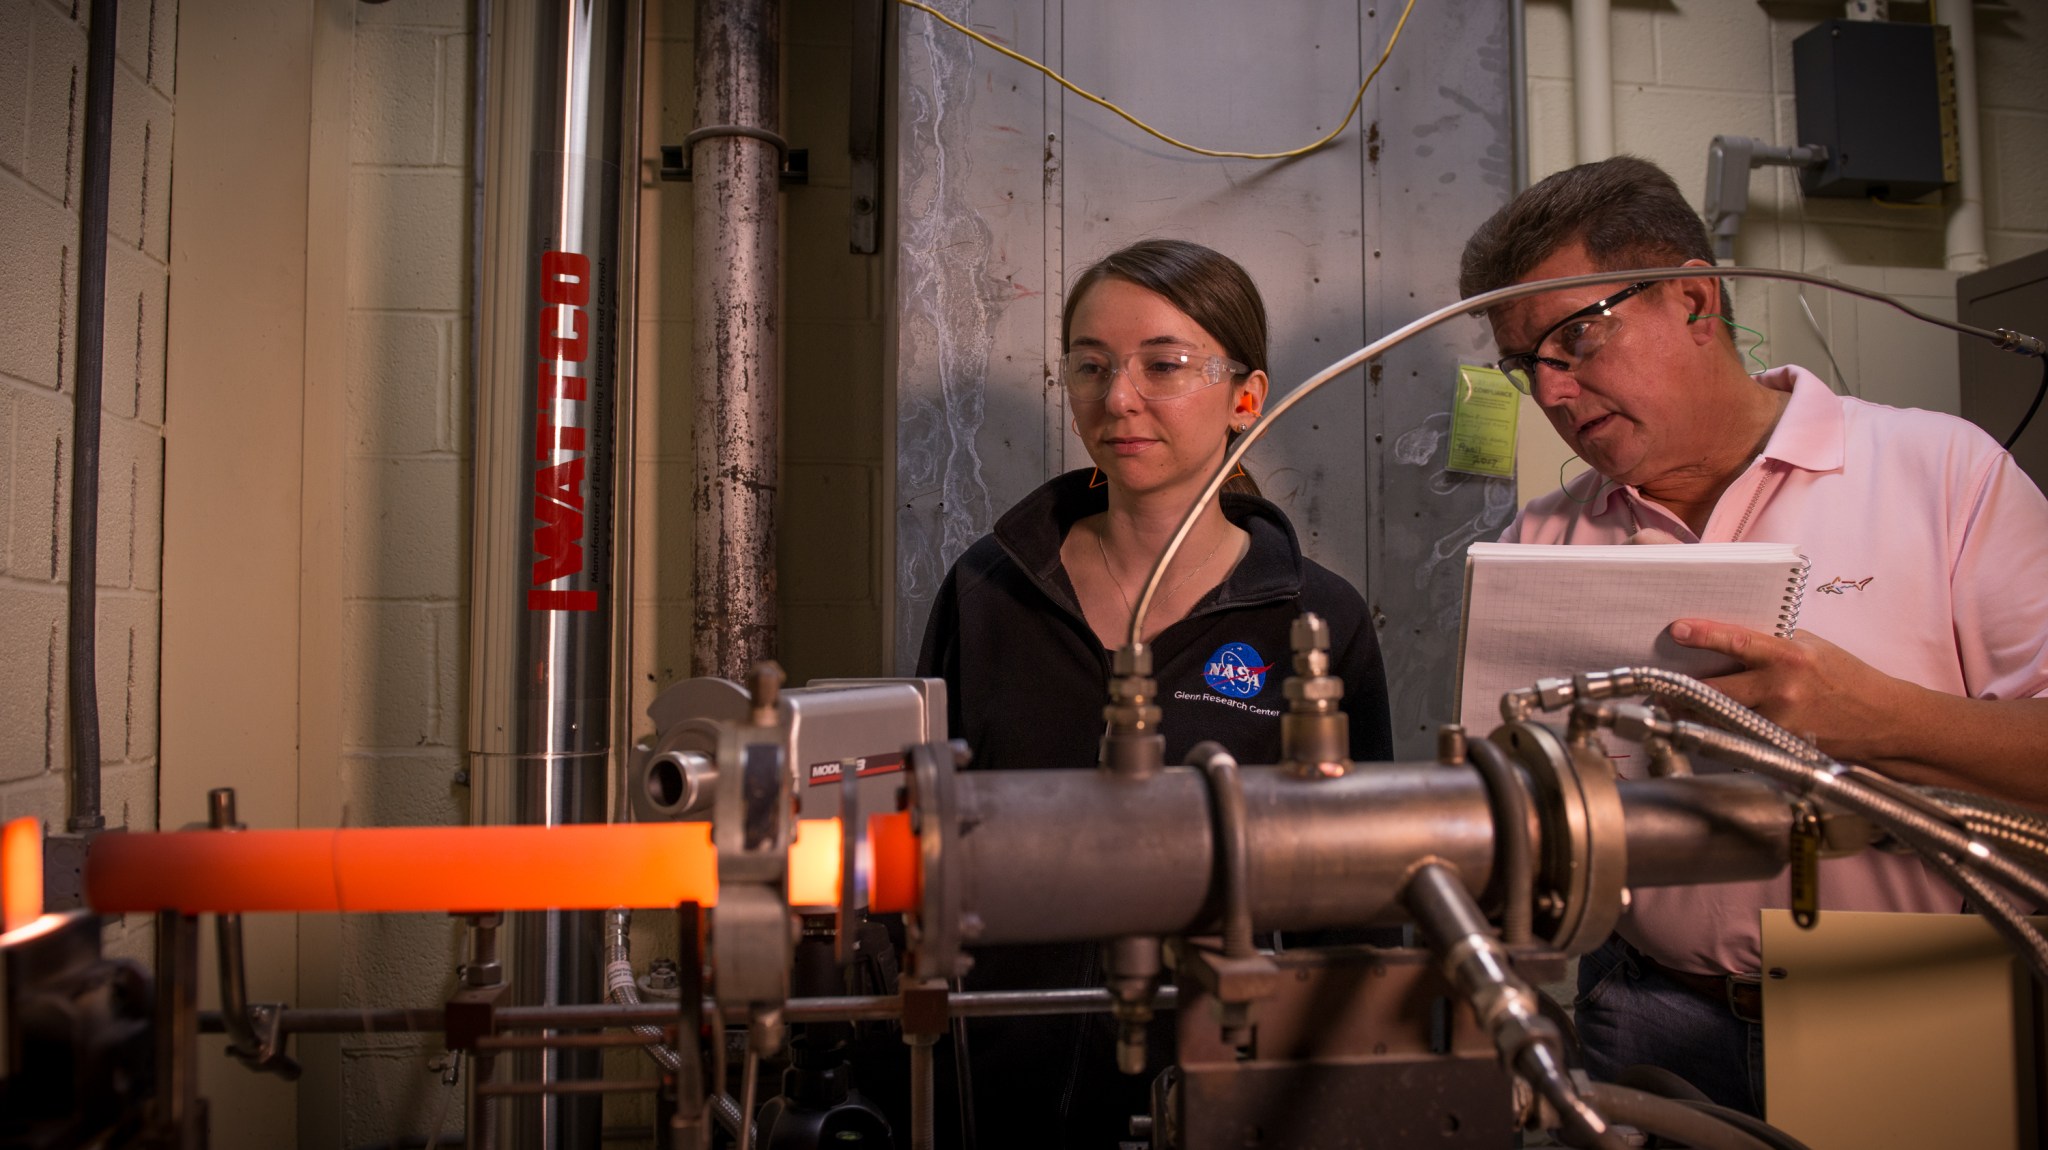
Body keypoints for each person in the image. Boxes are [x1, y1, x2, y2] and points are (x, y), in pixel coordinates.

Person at [1458, 155, 2048, 1117]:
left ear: (1695, 299)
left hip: (1911, 1005)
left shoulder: (1940, 472)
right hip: (1652, 1013)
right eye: (1528, 367)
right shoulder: (1546, 538)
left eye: (1577, 340)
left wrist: (1877, 719)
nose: (1555, 395)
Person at [914, 238, 1396, 1146]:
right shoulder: (991, 589)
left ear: (1246, 397)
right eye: (1090, 367)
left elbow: (1359, 903)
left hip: (1227, 1083)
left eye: (1162, 365)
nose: (1119, 398)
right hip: (998, 1078)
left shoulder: (1314, 621)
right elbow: (921, 827)